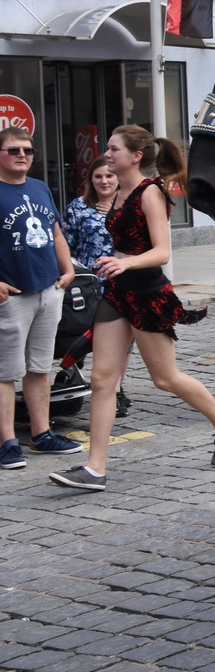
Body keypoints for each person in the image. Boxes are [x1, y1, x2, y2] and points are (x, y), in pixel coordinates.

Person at [49, 126, 215, 492]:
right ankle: (95, 468)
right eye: (107, 148)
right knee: (102, 380)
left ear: (136, 156)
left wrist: (124, 262)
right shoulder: (118, 192)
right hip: (117, 293)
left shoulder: (150, 192)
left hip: (147, 294)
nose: (107, 154)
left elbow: (162, 252)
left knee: (165, 378)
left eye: (114, 149)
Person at [0, 127, 81, 469]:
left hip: (48, 289)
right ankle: (7, 443)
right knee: (5, 372)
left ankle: (41, 433)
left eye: (28, 150)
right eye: (13, 150)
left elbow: (55, 231)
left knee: (39, 367)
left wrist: (69, 269)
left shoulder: (39, 187)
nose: (22, 155)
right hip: (12, 295)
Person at [61, 164, 118, 273]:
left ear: (118, 177)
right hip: (90, 276)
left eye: (109, 176)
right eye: (98, 176)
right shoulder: (77, 206)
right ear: (91, 179)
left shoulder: (131, 204)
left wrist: (114, 215)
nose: (104, 181)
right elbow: (64, 245)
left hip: (124, 275)